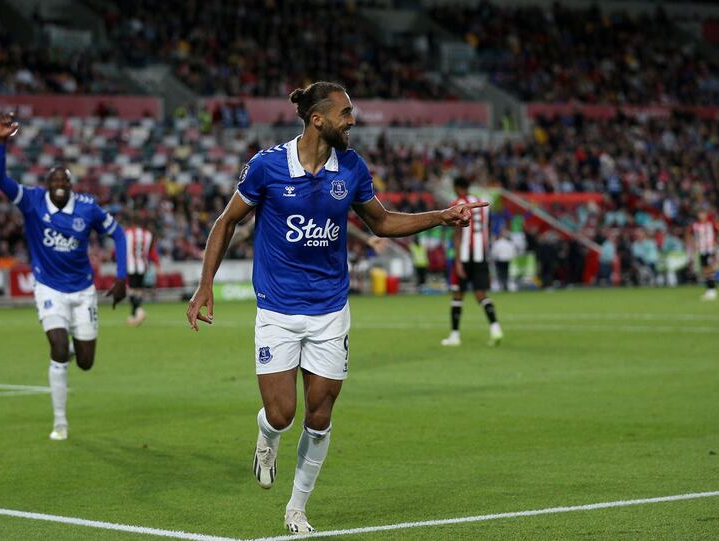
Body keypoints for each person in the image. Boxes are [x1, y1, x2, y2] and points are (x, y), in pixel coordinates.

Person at [185, 82, 487, 534]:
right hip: (278, 311)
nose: (353, 120)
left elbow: (381, 221)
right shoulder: (266, 167)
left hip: (330, 311)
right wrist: (204, 284)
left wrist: (440, 216)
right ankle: (267, 437)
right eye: (346, 113)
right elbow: (226, 222)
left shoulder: (352, 167)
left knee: (320, 417)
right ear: (317, 119)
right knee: (282, 414)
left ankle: (296, 508)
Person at [0, 113, 127, 441]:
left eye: (64, 182)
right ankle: (60, 422)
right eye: (54, 182)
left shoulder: (87, 208)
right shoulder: (32, 201)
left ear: (71, 186)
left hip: (83, 291)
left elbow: (119, 234)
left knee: (85, 362)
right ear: (47, 185)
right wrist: (1, 142)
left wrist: (122, 277)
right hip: (48, 287)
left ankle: (70, 347)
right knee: (56, 346)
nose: (59, 186)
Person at [441, 176, 503, 347]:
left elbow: (459, 233)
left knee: (457, 295)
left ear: (457, 187)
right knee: (481, 294)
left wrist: (459, 261)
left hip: (465, 255)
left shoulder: (457, 203)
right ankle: (495, 328)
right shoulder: (482, 203)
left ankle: (454, 336)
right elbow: (487, 229)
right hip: (481, 254)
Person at [124, 214, 160, 326]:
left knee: (131, 290)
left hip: (131, 266)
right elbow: (151, 251)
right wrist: (157, 263)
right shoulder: (148, 234)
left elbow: (121, 250)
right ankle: (134, 316)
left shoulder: (128, 233)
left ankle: (138, 311)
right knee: (139, 291)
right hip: (143, 266)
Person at [689, 210, 719, 300]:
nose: (701, 215)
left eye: (703, 213)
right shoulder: (695, 225)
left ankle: (712, 290)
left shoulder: (711, 223)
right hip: (701, 250)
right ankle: (710, 290)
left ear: (706, 215)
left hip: (710, 250)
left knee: (709, 269)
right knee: (705, 270)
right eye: (699, 213)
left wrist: (716, 241)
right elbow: (688, 234)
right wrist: (693, 244)